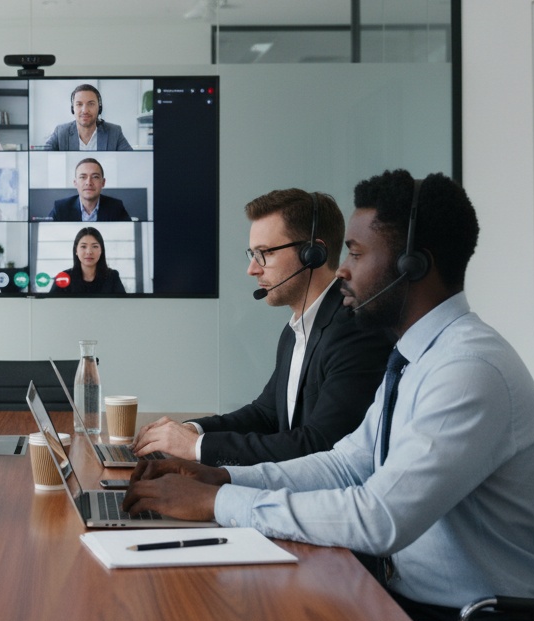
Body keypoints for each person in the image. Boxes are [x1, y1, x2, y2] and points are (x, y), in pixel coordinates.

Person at [124, 171, 534, 621]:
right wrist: (222, 479)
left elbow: (380, 518)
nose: (341, 269)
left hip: (477, 615)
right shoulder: (417, 356)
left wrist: (218, 504)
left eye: (355, 252)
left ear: (413, 264)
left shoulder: (468, 370)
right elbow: (346, 463)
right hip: (408, 595)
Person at [133, 189, 388, 465]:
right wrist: (193, 430)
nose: (252, 269)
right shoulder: (297, 330)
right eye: (252, 254)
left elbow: (321, 444)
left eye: (264, 253)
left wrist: (197, 447)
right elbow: (266, 414)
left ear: (313, 253)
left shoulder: (354, 331)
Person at [42, 83, 133, 151]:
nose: (85, 110)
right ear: (72, 108)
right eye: (79, 104)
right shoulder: (61, 132)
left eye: (91, 104)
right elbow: (43, 159)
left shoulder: (114, 132)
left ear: (99, 108)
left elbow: (130, 160)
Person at [49, 226, 127, 294]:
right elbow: (51, 306)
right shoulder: (63, 277)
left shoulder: (112, 276)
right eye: (83, 246)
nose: (89, 252)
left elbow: (123, 306)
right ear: (76, 250)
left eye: (95, 246)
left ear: (101, 250)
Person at [47, 158, 131, 221]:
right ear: (75, 183)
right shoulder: (60, 208)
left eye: (95, 177)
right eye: (83, 177)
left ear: (103, 182)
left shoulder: (116, 207)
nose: (89, 182)